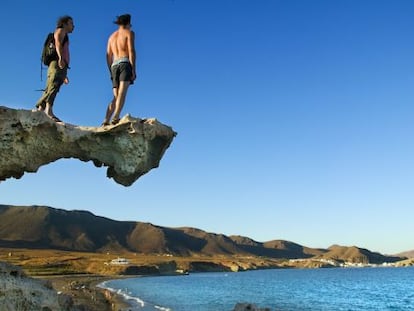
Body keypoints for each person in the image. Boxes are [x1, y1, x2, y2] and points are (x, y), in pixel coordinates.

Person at [35, 15, 74, 122]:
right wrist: (61, 58)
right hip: (57, 63)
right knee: (53, 86)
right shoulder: (61, 31)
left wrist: (64, 74)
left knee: (51, 86)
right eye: (71, 23)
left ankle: (40, 108)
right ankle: (48, 110)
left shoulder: (64, 33)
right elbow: (57, 42)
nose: (73, 26)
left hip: (59, 65)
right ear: (65, 24)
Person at [102, 14, 137, 126]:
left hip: (113, 65)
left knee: (116, 96)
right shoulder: (129, 33)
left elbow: (108, 55)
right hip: (124, 62)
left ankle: (106, 120)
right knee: (122, 91)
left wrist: (110, 69)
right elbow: (131, 51)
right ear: (128, 23)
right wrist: (133, 69)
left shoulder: (111, 37)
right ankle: (116, 116)